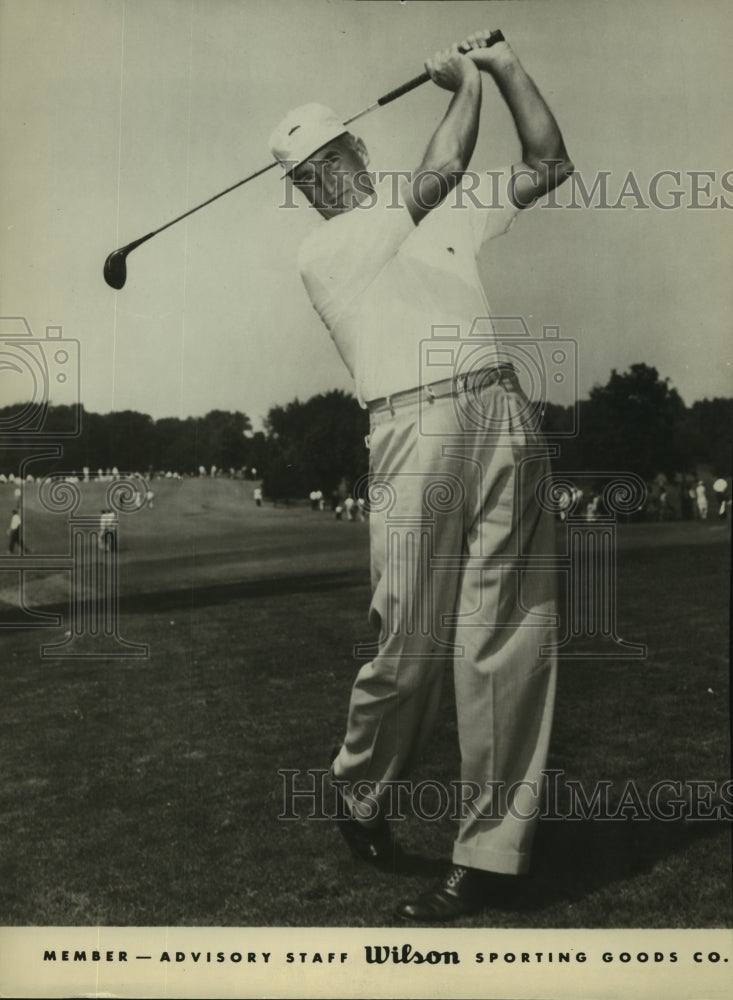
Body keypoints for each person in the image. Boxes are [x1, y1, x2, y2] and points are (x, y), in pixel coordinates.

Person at [270, 29, 572, 921]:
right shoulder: (328, 252)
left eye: (333, 157)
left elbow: (550, 160)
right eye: (307, 176)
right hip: (411, 429)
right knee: (407, 643)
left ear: (358, 149)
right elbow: (440, 168)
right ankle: (358, 789)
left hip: (497, 409)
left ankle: (487, 854)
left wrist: (506, 64)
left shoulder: (436, 212)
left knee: (508, 634)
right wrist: (462, 83)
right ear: (302, 193)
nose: (327, 179)